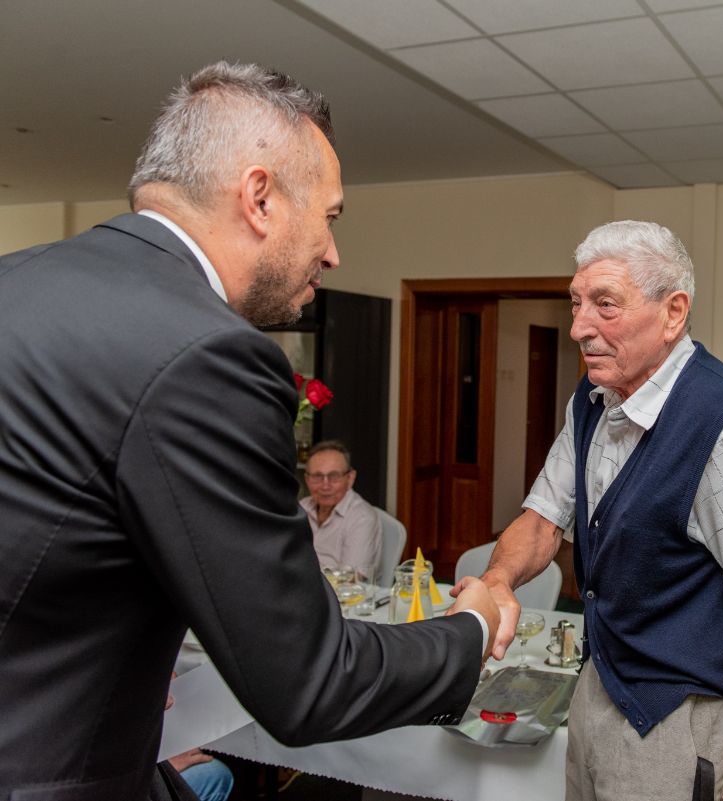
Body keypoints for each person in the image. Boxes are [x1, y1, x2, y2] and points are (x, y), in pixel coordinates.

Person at [0, 61, 498, 800]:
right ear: (259, 198)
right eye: (330, 217)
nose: (333, 253)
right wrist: (471, 631)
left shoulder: (17, 280)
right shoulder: (209, 354)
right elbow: (310, 681)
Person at [461, 220, 723, 801]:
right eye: (576, 303)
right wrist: (500, 577)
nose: (579, 327)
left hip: (679, 717)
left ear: (673, 313)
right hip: (600, 686)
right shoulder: (594, 398)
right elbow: (545, 518)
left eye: (605, 305)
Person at [302, 440, 382, 582]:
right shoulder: (301, 508)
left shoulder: (362, 517)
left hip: (338, 593)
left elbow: (352, 579)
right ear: (307, 479)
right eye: (317, 477)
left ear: (350, 478)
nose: (325, 486)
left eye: (334, 476)